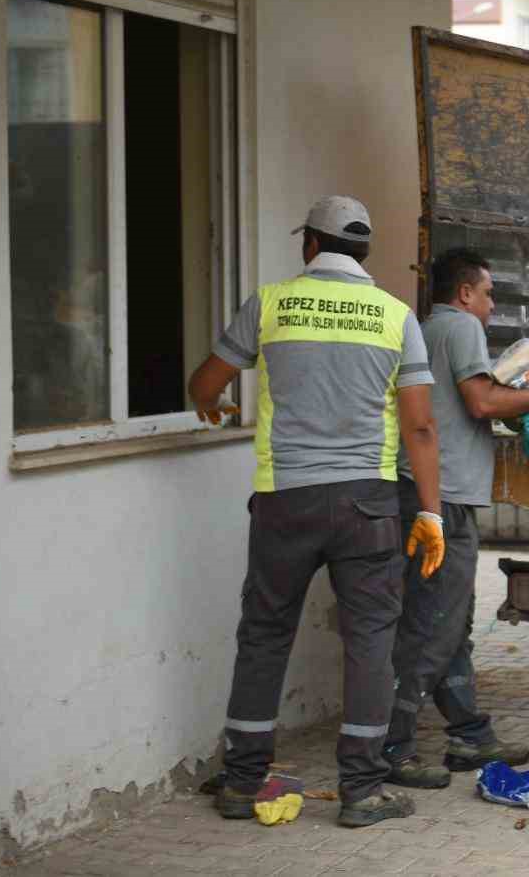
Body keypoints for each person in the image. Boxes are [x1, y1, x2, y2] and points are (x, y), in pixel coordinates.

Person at [187, 195, 445, 828]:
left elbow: (204, 386)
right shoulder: (394, 316)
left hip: (286, 500)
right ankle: (361, 790)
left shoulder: (270, 303)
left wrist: (215, 408)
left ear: (311, 245)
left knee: (265, 635)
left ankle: (244, 780)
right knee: (369, 642)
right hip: (366, 502)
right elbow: (419, 428)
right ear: (362, 252)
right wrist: (432, 512)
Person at [382, 247, 529, 787]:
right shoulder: (459, 328)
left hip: (436, 492)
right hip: (442, 497)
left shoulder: (429, 329)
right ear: (464, 293)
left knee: (451, 618)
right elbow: (480, 401)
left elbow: (462, 406)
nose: (493, 305)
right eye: (490, 293)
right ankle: (392, 742)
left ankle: (469, 733)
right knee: (435, 623)